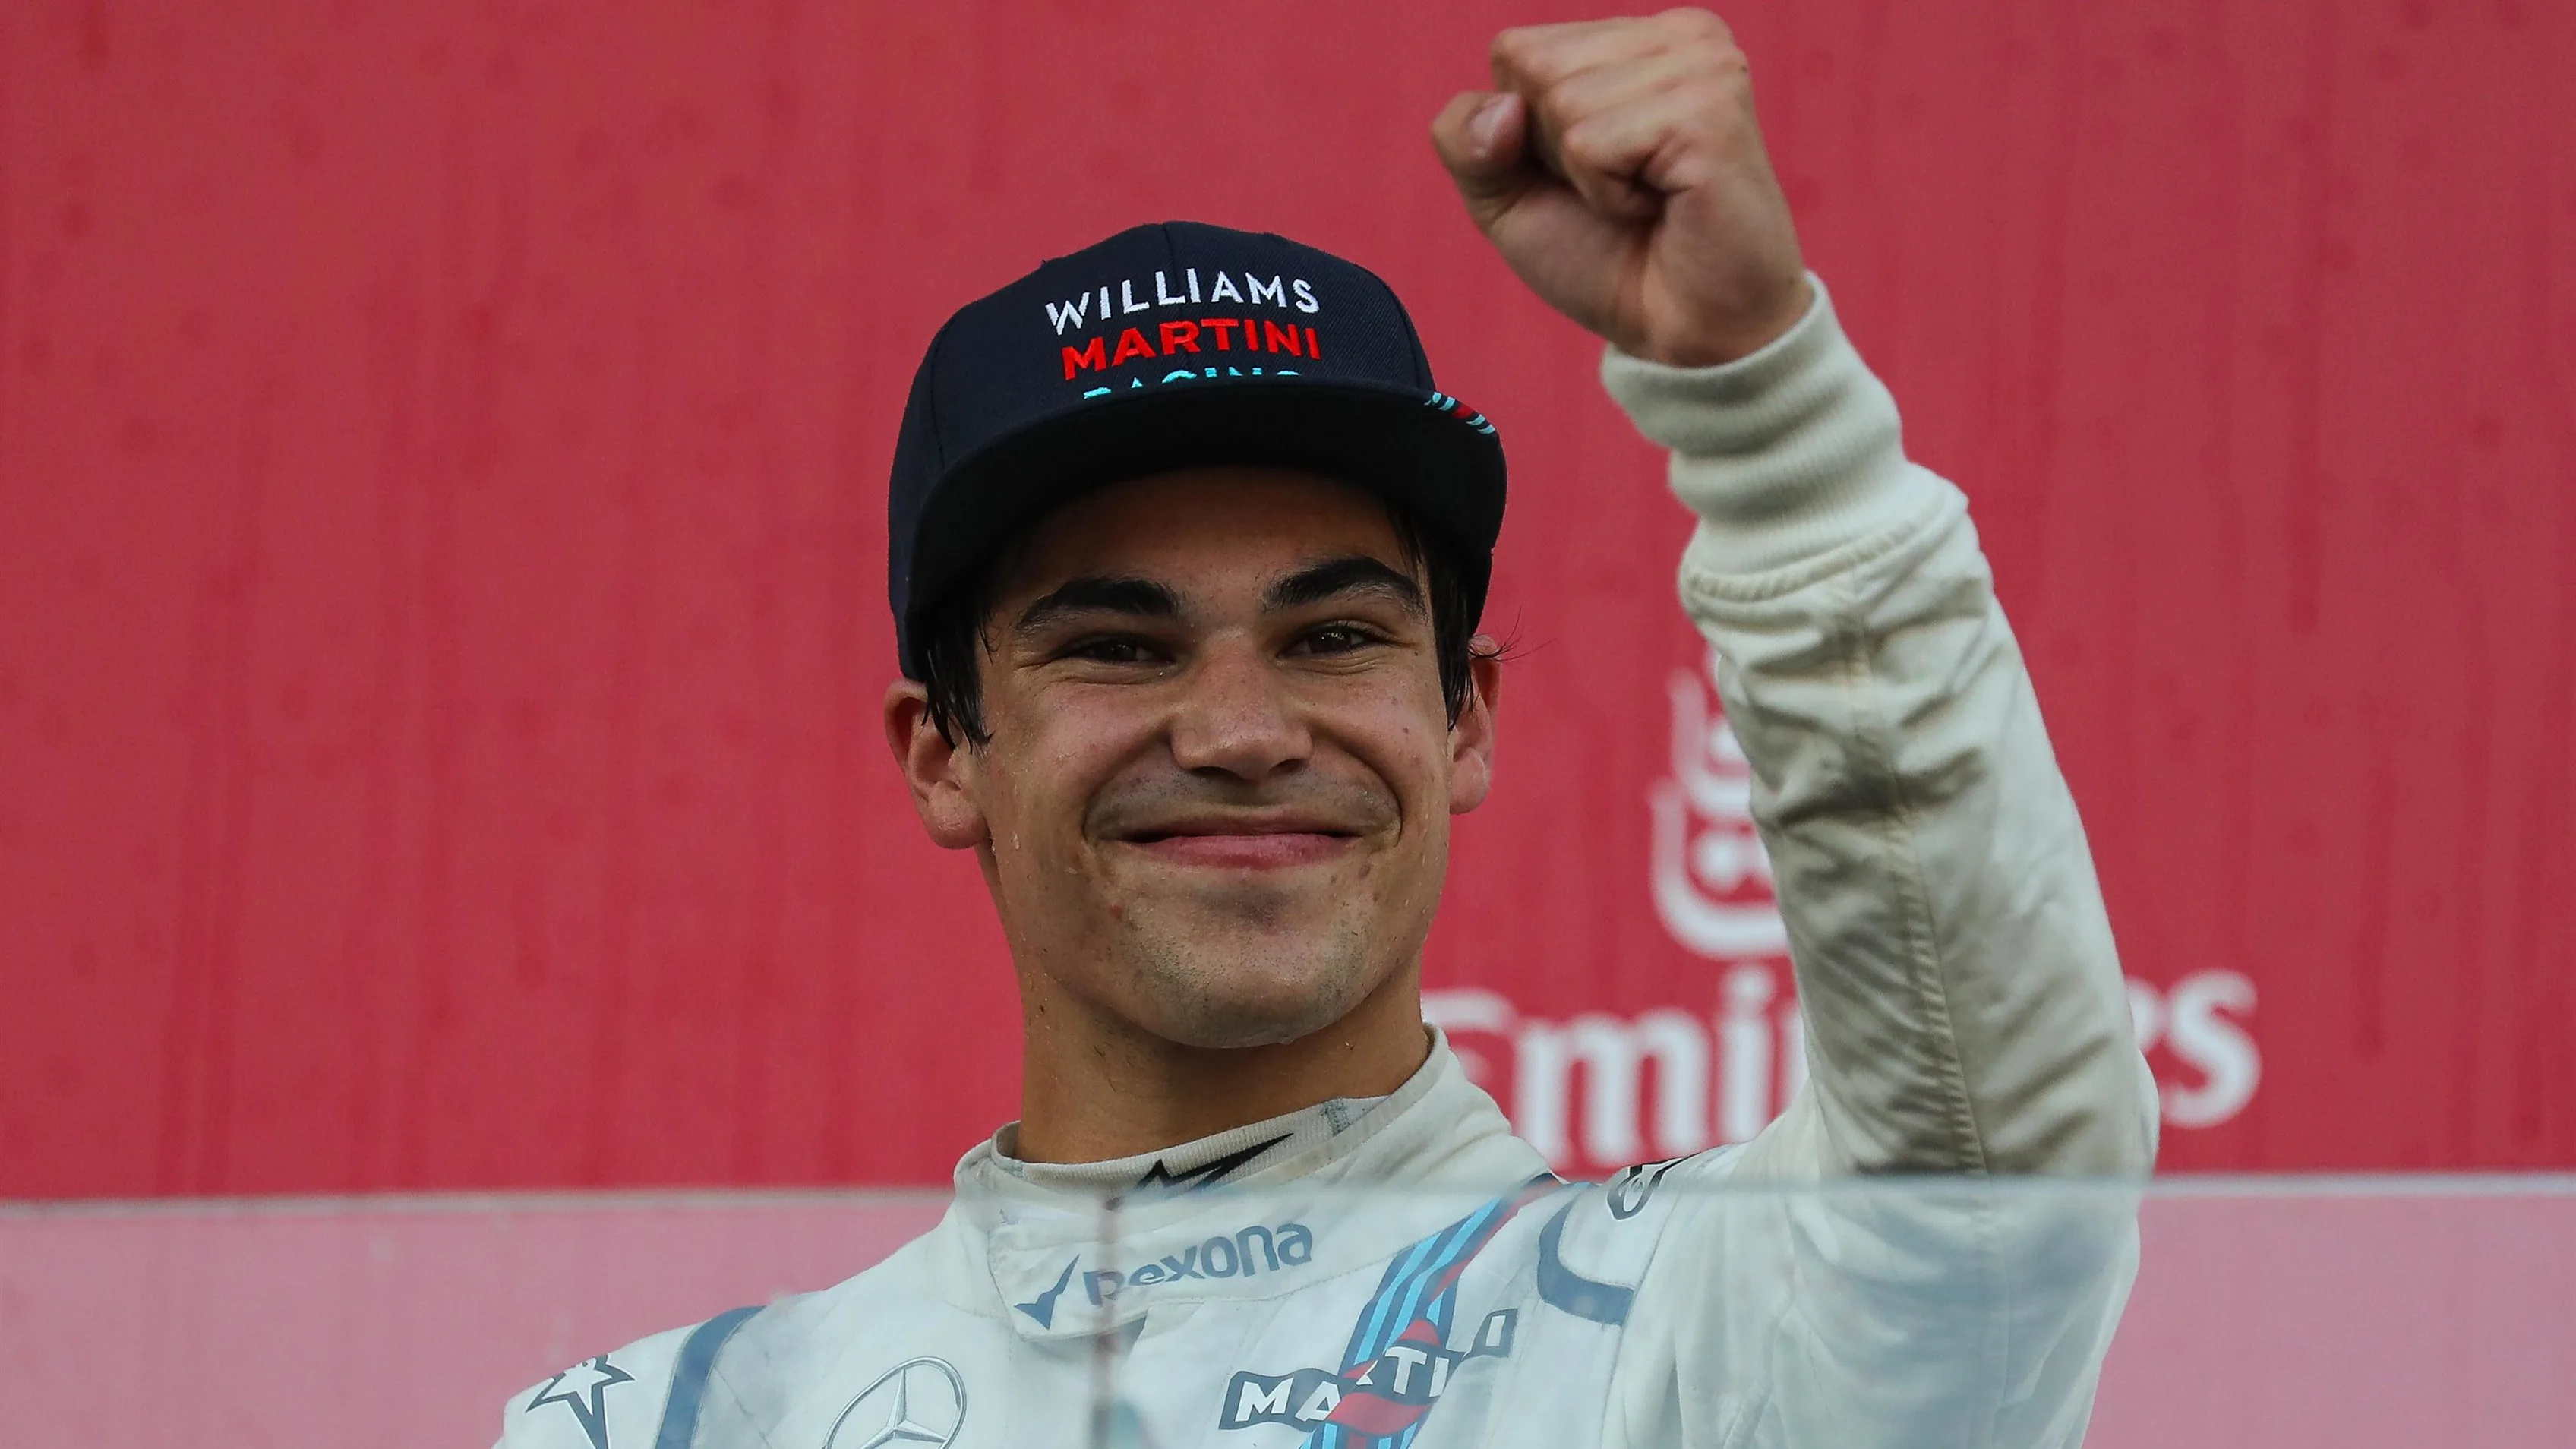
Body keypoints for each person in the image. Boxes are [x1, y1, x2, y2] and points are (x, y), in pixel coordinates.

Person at [496, 11, 2156, 1449]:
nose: (1235, 729)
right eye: (1118, 647)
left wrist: (1770, 421)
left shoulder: (1696, 1327)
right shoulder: (669, 1422)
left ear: (1465, 721)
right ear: (946, 752)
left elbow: (1990, 1154)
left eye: (1336, 635)